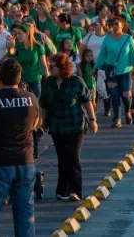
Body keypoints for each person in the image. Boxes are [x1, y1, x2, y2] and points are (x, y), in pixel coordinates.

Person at [0, 59, 39, 237]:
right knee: (25, 213)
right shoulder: (30, 98)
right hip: (25, 161)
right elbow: (35, 124)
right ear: (19, 78)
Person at [40, 53, 98, 202]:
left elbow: (87, 101)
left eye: (52, 66)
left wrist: (92, 120)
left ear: (61, 68)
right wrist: (43, 120)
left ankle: (75, 190)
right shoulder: (49, 83)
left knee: (73, 157)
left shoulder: (76, 81)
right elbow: (44, 103)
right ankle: (62, 190)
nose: (49, 69)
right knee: (62, 158)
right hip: (57, 125)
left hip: (75, 124)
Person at [93, 16, 134, 128]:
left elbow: (133, 53)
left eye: (117, 23)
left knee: (126, 94)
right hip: (111, 72)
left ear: (122, 25)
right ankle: (117, 119)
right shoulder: (107, 39)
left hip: (126, 72)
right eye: (113, 24)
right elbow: (102, 54)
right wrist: (95, 67)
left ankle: (127, 111)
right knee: (114, 95)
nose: (115, 25)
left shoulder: (128, 38)